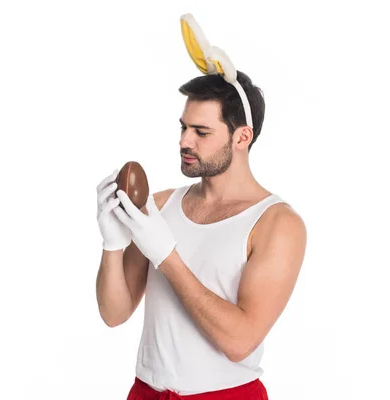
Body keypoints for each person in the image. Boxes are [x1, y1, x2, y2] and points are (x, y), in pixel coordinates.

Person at [95, 71, 307, 399]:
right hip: (147, 393)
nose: (184, 141)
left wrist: (166, 256)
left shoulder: (276, 224)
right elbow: (114, 313)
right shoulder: (162, 205)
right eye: (183, 127)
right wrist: (112, 244)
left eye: (201, 132)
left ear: (242, 137)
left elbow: (239, 343)